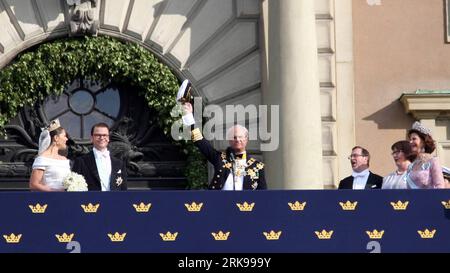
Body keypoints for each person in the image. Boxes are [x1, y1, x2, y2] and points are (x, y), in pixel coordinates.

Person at [181, 102, 267, 190]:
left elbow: (263, 196)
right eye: (234, 137)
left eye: (240, 137)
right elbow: (199, 141)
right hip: (219, 202)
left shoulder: (257, 166)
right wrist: (189, 117)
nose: (237, 139)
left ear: (246, 139)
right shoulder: (220, 158)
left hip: (245, 203)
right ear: (229, 140)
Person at [72, 123, 127, 191]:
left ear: (108, 138)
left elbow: (123, 190)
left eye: (105, 135)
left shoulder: (119, 163)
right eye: (98, 135)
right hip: (90, 201)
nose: (101, 138)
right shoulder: (81, 161)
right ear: (92, 138)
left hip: (114, 200)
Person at [29, 119, 71, 191]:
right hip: (50, 199)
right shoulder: (42, 159)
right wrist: (52, 192)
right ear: (56, 138)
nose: (67, 139)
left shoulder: (64, 159)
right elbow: (34, 184)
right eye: (64, 136)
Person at [405, 121, 445, 189]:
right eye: (410, 139)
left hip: (430, 199)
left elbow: (440, 187)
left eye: (414, 139)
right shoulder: (411, 166)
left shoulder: (433, 161)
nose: (410, 142)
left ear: (423, 141)